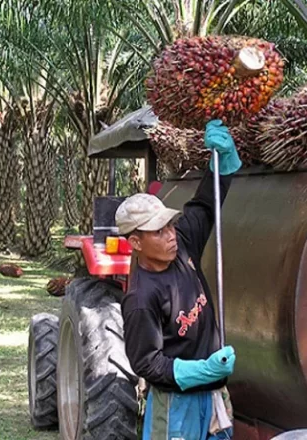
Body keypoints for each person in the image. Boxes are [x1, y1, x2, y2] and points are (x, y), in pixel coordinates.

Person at [115, 119, 242, 440]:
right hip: (176, 406)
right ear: (136, 242)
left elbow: (205, 203)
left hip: (213, 397)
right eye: (159, 231)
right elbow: (146, 363)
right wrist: (201, 371)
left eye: (170, 225)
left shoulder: (182, 243)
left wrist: (222, 160)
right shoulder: (141, 299)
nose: (171, 235)